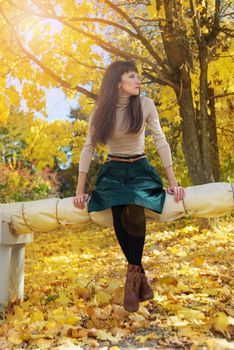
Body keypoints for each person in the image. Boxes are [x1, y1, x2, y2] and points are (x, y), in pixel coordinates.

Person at [73, 61, 185, 312]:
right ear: (117, 82)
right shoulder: (101, 112)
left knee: (134, 204)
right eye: (132, 76)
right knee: (117, 209)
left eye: (138, 77)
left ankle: (131, 283)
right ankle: (139, 277)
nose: (138, 81)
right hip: (112, 170)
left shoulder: (145, 105)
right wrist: (80, 190)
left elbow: (160, 140)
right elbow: (88, 148)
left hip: (140, 169)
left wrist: (174, 184)